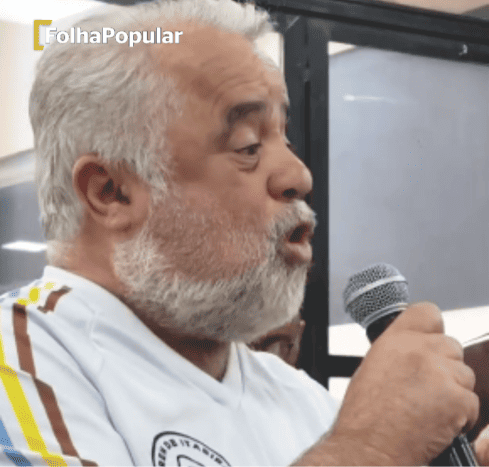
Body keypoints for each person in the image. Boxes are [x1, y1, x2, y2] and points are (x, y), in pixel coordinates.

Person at [0, 0, 487, 464]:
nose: (298, 174)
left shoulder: (298, 399)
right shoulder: (23, 359)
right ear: (112, 192)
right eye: (248, 145)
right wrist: (372, 448)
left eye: (284, 138)